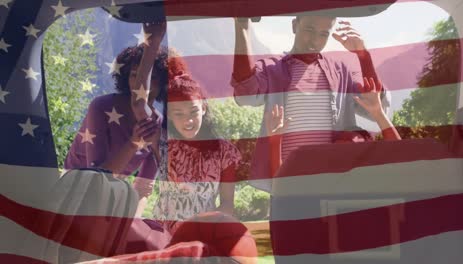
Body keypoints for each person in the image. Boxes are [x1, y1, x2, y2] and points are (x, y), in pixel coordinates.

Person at [231, 15, 391, 192]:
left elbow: (375, 105)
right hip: (287, 182)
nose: (315, 40)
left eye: (324, 34)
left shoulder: (340, 72)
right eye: (309, 30)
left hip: (332, 182)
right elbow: (245, 94)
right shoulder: (272, 69)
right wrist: (242, 26)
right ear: (294, 25)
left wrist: (363, 55)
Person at [64, 22, 187, 217]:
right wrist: (133, 143)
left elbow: (144, 187)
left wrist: (132, 223)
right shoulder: (101, 106)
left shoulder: (158, 124)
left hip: (110, 200)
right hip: (71, 194)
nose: (138, 82)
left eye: (149, 77)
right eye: (133, 75)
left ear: (163, 82)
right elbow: (97, 178)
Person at [153, 74, 241, 235]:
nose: (188, 121)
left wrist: (202, 227)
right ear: (170, 116)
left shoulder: (224, 152)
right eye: (179, 113)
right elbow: (139, 105)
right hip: (163, 236)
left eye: (193, 111)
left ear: (203, 108)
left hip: (205, 234)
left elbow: (227, 204)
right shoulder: (162, 146)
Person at [266, 77, 401, 177]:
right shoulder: (323, 175)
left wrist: (378, 113)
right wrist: (274, 142)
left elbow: (400, 155)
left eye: (352, 143)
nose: (345, 140)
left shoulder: (373, 173)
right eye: (340, 142)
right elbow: (282, 187)